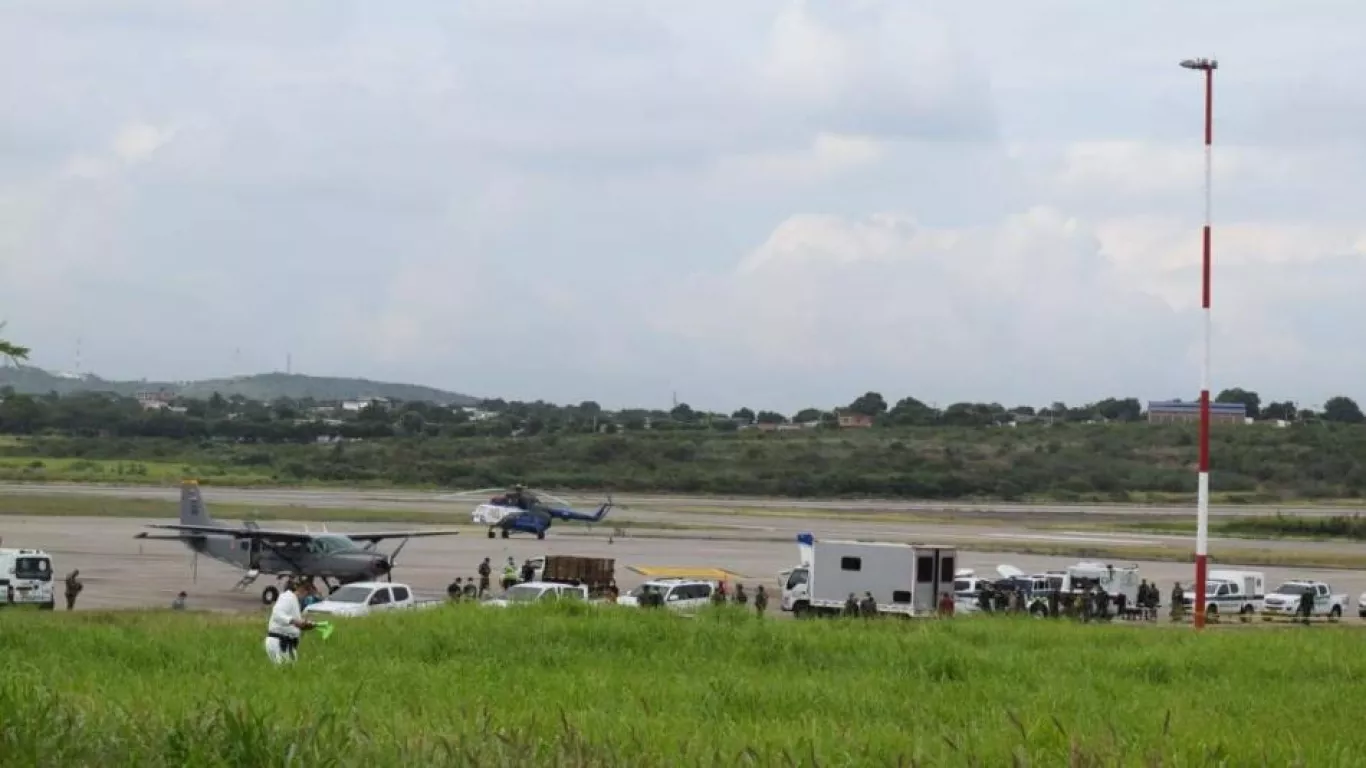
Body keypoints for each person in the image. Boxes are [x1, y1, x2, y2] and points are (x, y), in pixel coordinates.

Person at [265, 578, 319, 664]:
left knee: (292, 670)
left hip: (289, 643)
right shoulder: (287, 597)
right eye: (307, 593)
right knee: (284, 672)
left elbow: (293, 623)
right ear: (301, 589)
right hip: (279, 642)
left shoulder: (294, 600)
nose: (307, 597)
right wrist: (295, 622)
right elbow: (277, 614)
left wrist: (304, 626)